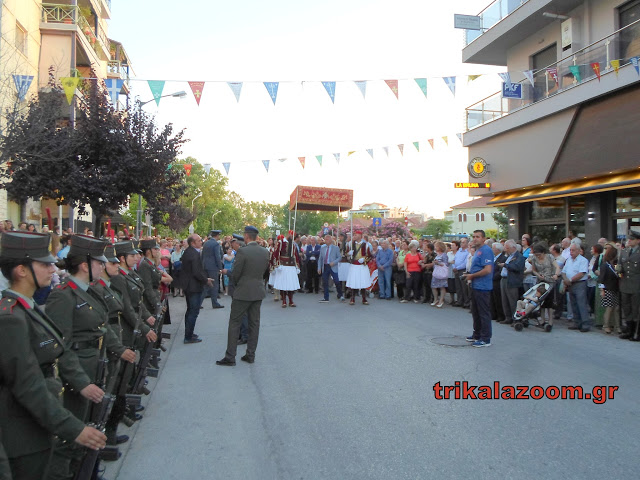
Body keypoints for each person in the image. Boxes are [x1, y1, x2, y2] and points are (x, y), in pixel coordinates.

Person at [0, 232, 106, 480]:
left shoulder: (27, 307)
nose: (52, 269)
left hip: (41, 422)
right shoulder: (10, 318)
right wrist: (73, 427)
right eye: (44, 264)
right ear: (21, 270)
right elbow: (27, 385)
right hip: (25, 434)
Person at [45, 235, 114, 480]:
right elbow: (59, 346)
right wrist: (81, 382)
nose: (102, 266)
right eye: (98, 262)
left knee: (88, 426)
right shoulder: (63, 295)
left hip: (93, 365)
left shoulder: (88, 291)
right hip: (76, 376)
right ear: (85, 265)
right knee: (70, 437)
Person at [216, 226, 270, 366]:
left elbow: (235, 273)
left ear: (246, 236)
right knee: (254, 324)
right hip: (258, 291)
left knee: (234, 323)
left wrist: (239, 283)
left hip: (243, 292)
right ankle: (250, 354)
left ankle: (230, 356)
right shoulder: (265, 252)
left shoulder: (243, 252)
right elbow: (265, 272)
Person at [181, 234, 213, 343]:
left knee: (190, 310)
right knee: (193, 311)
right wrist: (206, 280)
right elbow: (196, 272)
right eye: (199, 241)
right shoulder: (193, 254)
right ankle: (188, 336)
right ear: (192, 243)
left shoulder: (190, 252)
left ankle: (189, 333)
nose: (201, 242)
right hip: (193, 286)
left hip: (190, 285)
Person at [464, 230, 494, 347]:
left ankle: (486, 338)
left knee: (483, 312)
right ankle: (477, 334)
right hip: (476, 285)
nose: (475, 238)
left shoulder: (486, 251)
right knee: (475, 312)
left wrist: (472, 276)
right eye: (474, 236)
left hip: (483, 286)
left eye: (478, 237)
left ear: (483, 239)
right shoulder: (478, 251)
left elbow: (487, 270)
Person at [562, 243, 591, 332]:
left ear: (579, 251)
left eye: (573, 250)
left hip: (579, 283)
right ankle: (576, 322)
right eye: (570, 250)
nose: (571, 252)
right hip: (570, 284)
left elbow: (581, 273)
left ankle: (585, 323)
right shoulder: (568, 260)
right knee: (573, 303)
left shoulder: (583, 260)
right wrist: (566, 280)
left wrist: (570, 280)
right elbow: (563, 271)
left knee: (581, 303)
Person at [529, 243, 561, 326]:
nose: (538, 256)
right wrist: (538, 275)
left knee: (549, 302)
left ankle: (550, 321)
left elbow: (557, 267)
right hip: (541, 281)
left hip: (550, 280)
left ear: (543, 252)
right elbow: (533, 270)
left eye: (539, 255)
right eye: (536, 255)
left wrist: (556, 275)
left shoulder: (549, 257)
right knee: (541, 301)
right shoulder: (534, 258)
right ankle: (542, 320)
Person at [617, 230, 640, 340]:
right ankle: (629, 331)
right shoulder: (624, 252)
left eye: (632, 239)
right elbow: (621, 267)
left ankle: (637, 333)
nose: (629, 241)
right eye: (628, 239)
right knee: (627, 309)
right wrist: (619, 270)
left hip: (636, 285)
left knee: (636, 310)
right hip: (625, 284)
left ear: (638, 241)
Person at [498, 239, 525, 324]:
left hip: (512, 281)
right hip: (504, 279)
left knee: (512, 300)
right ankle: (508, 317)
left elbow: (517, 267)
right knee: (504, 299)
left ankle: (515, 319)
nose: (505, 250)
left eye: (507, 248)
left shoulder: (519, 257)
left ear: (512, 247)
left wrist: (505, 265)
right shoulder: (509, 256)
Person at [272, 233, 301, 307]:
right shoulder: (281, 242)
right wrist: (277, 265)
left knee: (291, 285)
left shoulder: (293, 245)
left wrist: (297, 266)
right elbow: (276, 253)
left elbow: (295, 255)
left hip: (291, 266)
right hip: (283, 266)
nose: (291, 237)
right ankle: (284, 301)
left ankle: (291, 301)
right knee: (283, 285)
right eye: (291, 235)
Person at [598, 245, 621, 334]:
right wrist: (602, 290)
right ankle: (606, 325)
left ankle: (617, 325)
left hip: (615, 288)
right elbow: (601, 278)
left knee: (617, 308)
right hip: (607, 289)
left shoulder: (614, 265)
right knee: (609, 308)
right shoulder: (605, 265)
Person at [346, 230, 372, 306]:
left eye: (356, 234)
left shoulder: (366, 245)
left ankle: (364, 298)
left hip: (362, 266)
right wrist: (348, 253)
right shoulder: (350, 244)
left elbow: (369, 256)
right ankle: (352, 298)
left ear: (360, 236)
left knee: (363, 282)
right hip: (354, 265)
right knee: (354, 282)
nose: (354, 236)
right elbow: (345, 253)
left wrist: (364, 259)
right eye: (354, 235)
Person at [201, 230, 224, 309]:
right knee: (214, 285)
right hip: (213, 267)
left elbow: (202, 255)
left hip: (205, 266)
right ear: (217, 236)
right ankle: (215, 303)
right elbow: (217, 257)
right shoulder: (216, 244)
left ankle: (199, 302)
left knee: (206, 285)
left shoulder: (206, 243)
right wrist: (220, 268)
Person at [318, 234, 344, 303]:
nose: (325, 241)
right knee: (325, 282)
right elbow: (320, 258)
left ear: (330, 240)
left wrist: (334, 262)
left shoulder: (336, 248)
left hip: (333, 266)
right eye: (325, 239)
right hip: (325, 266)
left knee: (336, 281)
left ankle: (340, 294)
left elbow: (339, 257)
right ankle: (326, 297)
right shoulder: (322, 247)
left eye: (327, 239)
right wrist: (319, 268)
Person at [491, 242, 506, 321]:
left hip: (497, 281)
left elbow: (500, 271)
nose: (492, 250)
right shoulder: (493, 257)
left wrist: (492, 277)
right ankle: (493, 314)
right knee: (492, 298)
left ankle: (500, 315)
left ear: (497, 249)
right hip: (491, 280)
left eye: (493, 248)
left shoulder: (502, 258)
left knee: (498, 298)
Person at [430, 241, 449, 308]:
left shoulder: (444, 255)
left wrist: (438, 263)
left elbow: (446, 264)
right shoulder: (437, 254)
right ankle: (435, 299)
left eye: (436, 246)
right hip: (436, 272)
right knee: (433, 286)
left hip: (441, 272)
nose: (435, 247)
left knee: (442, 286)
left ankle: (441, 300)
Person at [453, 237, 470, 308]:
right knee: (458, 287)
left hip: (462, 270)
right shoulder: (459, 250)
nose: (461, 244)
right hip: (456, 270)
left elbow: (465, 263)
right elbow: (455, 259)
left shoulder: (467, 252)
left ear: (467, 243)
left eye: (463, 242)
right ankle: (459, 301)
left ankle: (466, 302)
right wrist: (454, 267)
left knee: (464, 287)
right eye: (461, 242)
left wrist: (457, 268)